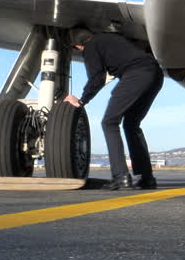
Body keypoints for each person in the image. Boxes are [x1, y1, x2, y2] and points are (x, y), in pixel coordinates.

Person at [63, 26, 164, 190]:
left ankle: (121, 176)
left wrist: (81, 101)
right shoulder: (110, 37)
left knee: (109, 122)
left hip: (136, 74)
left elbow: (97, 78)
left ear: (78, 46)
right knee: (131, 124)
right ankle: (147, 178)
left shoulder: (91, 47)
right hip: (155, 74)